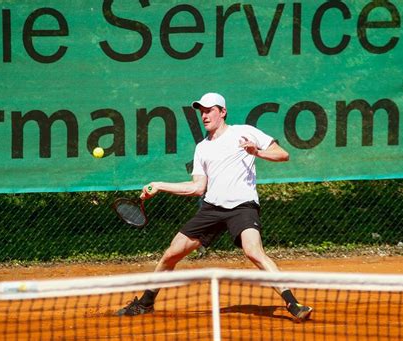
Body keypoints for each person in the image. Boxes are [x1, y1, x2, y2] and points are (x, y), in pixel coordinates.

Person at [117, 92, 313, 322]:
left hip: (243, 206)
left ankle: (293, 303)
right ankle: (145, 303)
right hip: (212, 209)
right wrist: (160, 185)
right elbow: (197, 188)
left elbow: (283, 154)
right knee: (171, 254)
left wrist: (256, 151)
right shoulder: (202, 148)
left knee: (253, 251)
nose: (204, 115)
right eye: (201, 111)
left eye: (209, 110)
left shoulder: (244, 132)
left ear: (223, 112)